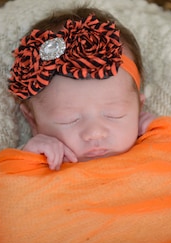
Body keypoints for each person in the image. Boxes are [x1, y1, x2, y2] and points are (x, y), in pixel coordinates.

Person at [8, 6, 157, 170]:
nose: (94, 133)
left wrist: (165, 136)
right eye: (69, 119)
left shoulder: (153, 149)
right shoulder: (40, 166)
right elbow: (1, 191)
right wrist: (26, 161)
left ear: (138, 110)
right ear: (33, 121)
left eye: (115, 114)